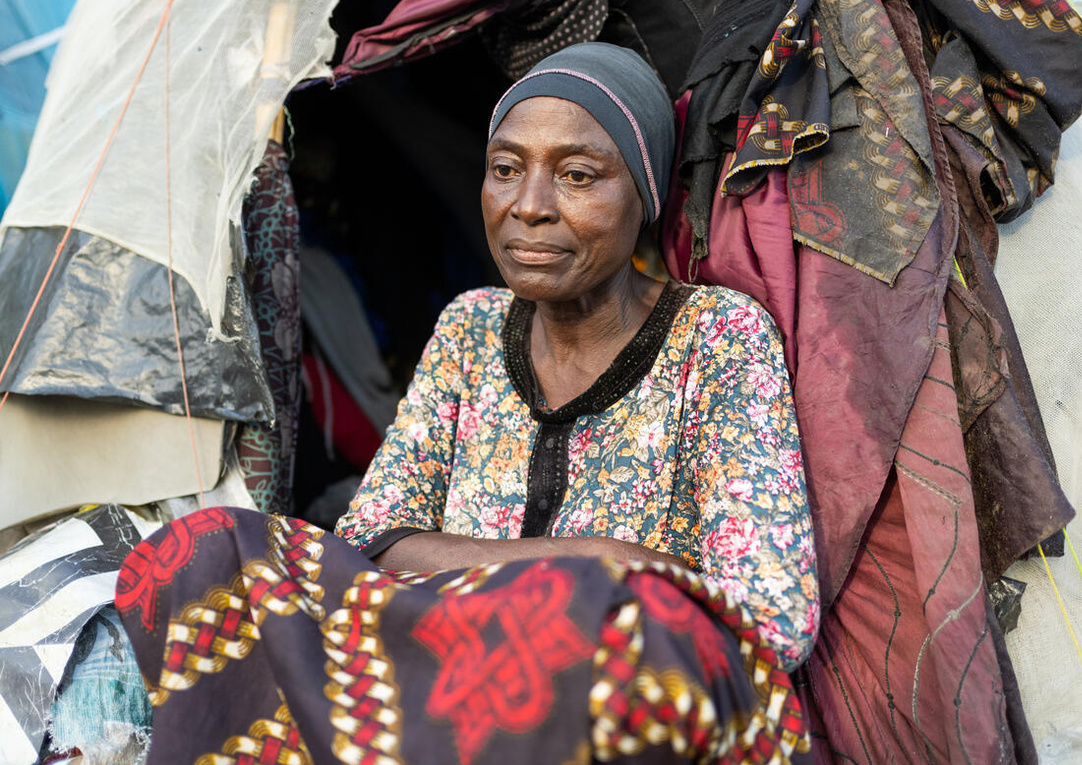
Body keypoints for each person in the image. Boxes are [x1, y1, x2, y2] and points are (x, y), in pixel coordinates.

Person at [115, 42, 819, 764]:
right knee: (206, 550)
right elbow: (371, 538)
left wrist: (579, 592)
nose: (529, 206)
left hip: (613, 691)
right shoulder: (473, 326)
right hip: (441, 666)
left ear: (644, 192)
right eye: (506, 169)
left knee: (630, 624)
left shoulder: (719, 336)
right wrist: (598, 560)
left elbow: (770, 612)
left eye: (577, 176)